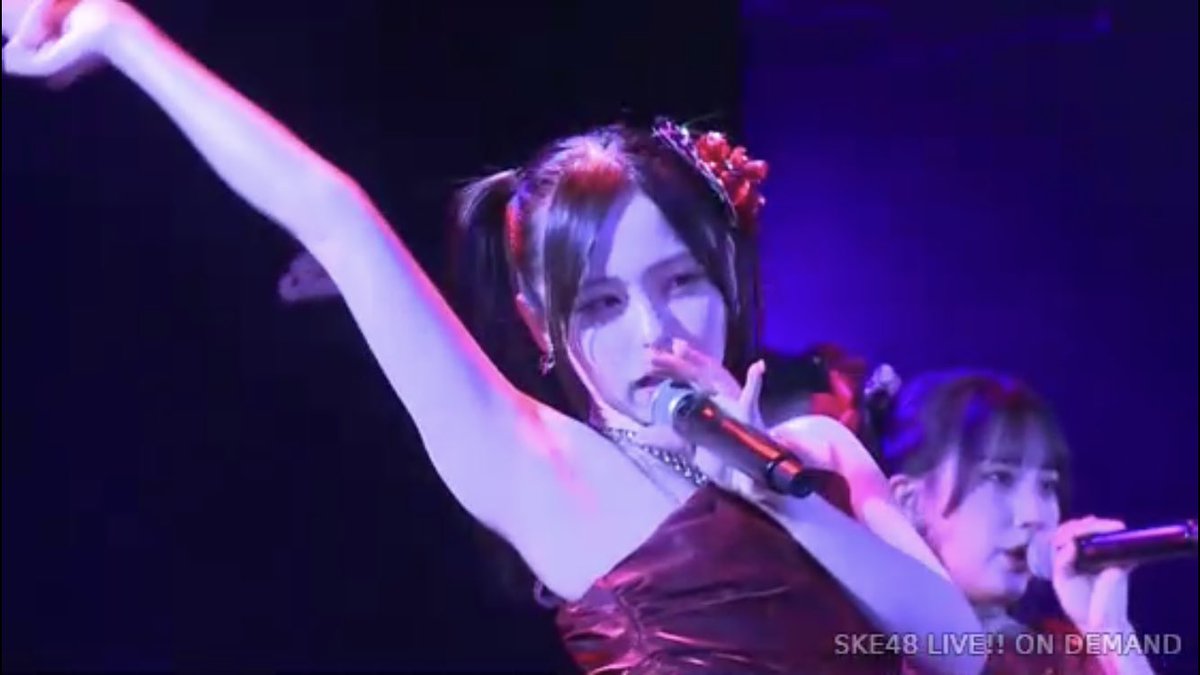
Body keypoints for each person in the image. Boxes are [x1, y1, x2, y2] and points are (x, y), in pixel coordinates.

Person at [2, 2, 988, 672]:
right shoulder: (546, 470)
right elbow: (334, 217)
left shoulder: (815, 454)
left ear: (728, 282)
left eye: (681, 283)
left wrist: (777, 492)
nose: (654, 331)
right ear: (542, 328)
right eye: (602, 304)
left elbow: (962, 650)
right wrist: (123, 34)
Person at [870, 369, 1158, 674]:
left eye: (1046, 485)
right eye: (999, 477)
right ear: (910, 503)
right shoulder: (857, 650)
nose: (1034, 515)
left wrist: (1110, 631)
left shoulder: (1063, 654)